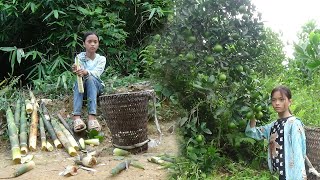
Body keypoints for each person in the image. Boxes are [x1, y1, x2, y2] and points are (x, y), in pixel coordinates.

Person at [245, 85, 307, 179]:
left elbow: (298, 153)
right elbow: (252, 132)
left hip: (291, 175)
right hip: (277, 174)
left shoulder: (294, 124)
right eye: (274, 100)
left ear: (290, 102)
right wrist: (253, 114)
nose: (277, 103)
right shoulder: (273, 125)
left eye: (281, 99)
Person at [71, 31, 106, 132]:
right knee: (79, 80)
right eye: (89, 41)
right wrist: (76, 70)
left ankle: (92, 118)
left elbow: (97, 73)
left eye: (95, 42)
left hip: (97, 87)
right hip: (83, 89)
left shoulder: (101, 59)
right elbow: (79, 71)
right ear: (84, 44)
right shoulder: (79, 58)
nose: (92, 44)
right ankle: (77, 118)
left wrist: (86, 72)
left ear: (98, 44)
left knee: (90, 78)